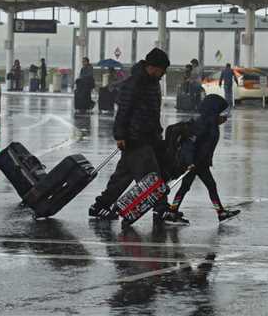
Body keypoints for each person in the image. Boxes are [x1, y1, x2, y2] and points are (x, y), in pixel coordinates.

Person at [89, 48, 171, 225]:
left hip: (147, 137)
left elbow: (153, 112)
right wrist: (120, 135)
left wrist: (157, 133)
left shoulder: (151, 82)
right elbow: (124, 110)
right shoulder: (135, 83)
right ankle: (162, 210)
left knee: (122, 177)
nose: (163, 74)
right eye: (162, 70)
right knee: (152, 178)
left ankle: (99, 206)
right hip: (137, 137)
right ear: (153, 67)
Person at [165, 94, 241, 225]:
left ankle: (220, 212)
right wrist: (189, 163)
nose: (225, 119)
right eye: (223, 115)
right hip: (193, 163)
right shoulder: (202, 125)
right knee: (188, 187)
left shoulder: (211, 125)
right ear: (214, 113)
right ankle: (172, 212)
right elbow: (190, 144)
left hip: (200, 163)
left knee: (206, 186)